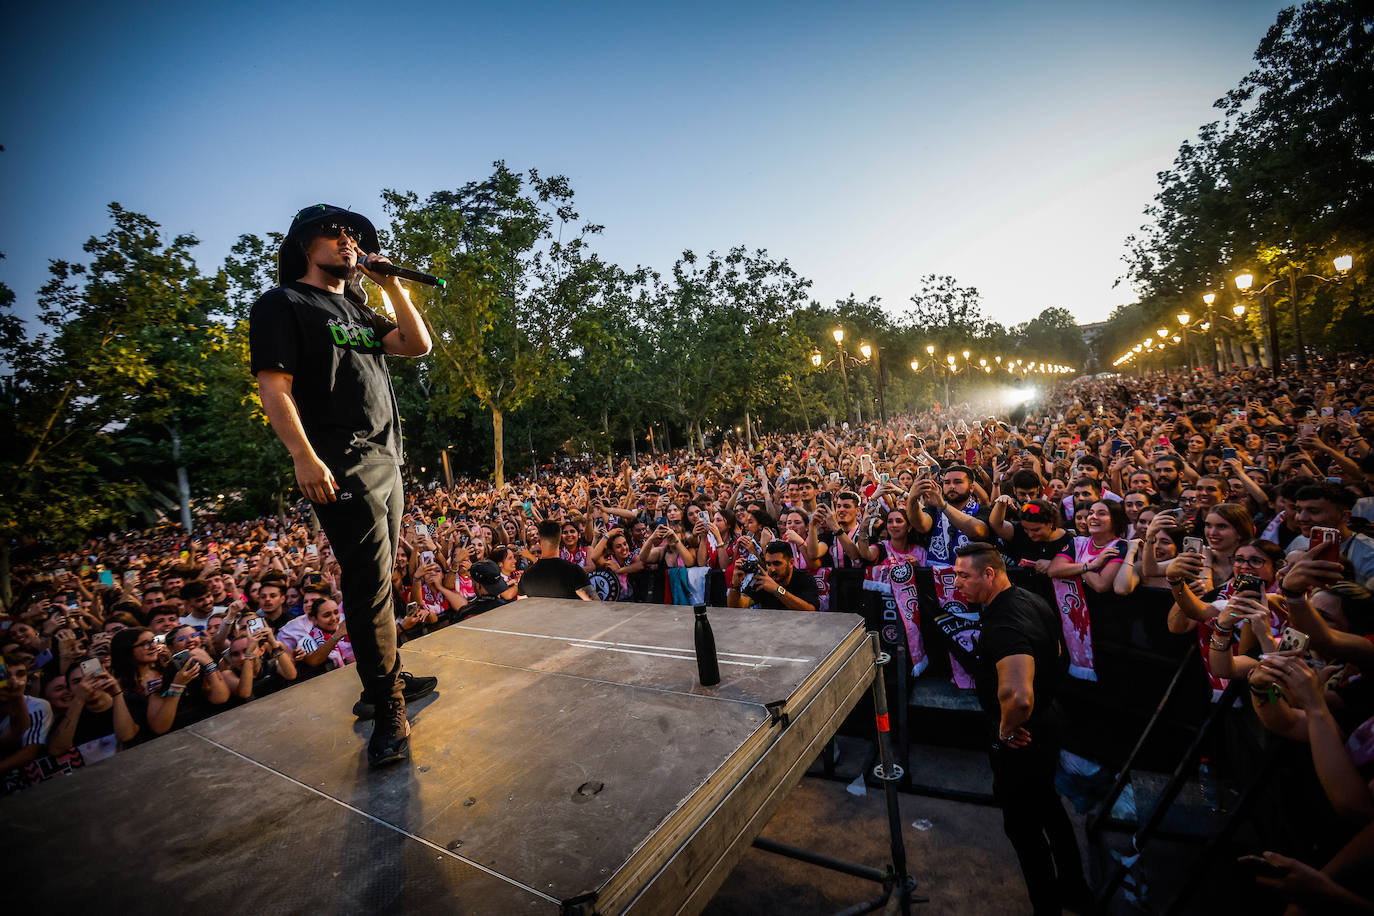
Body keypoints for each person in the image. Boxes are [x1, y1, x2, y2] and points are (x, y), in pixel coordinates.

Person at [250, 204, 436, 767]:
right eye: (337, 233)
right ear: (307, 243)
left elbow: (415, 344)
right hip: (341, 461)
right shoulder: (283, 304)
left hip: (387, 457)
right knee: (368, 585)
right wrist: (304, 458)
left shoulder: (355, 305)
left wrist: (390, 285)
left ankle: (382, 681)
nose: (349, 241)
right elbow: (275, 388)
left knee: (381, 577)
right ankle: (388, 708)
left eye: (355, 235)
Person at [952, 542, 1090, 915]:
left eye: (964, 576)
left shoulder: (1006, 622)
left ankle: (1047, 906)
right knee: (1049, 808)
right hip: (1047, 722)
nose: (956, 584)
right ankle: (1076, 890)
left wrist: (1005, 729)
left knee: (1025, 829)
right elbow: (1058, 655)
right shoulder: (1030, 599)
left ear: (989, 574)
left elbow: (1018, 696)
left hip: (1023, 738)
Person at [727, 540, 819, 611]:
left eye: (777, 563)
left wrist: (777, 590)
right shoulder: (762, 580)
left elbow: (810, 610)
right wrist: (735, 585)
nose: (772, 569)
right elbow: (738, 607)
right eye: (768, 564)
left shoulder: (804, 578)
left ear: (791, 563)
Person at [518, 520, 595, 599]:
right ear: (559, 540)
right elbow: (594, 603)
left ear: (540, 542)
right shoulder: (574, 571)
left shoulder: (527, 575)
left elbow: (521, 605)